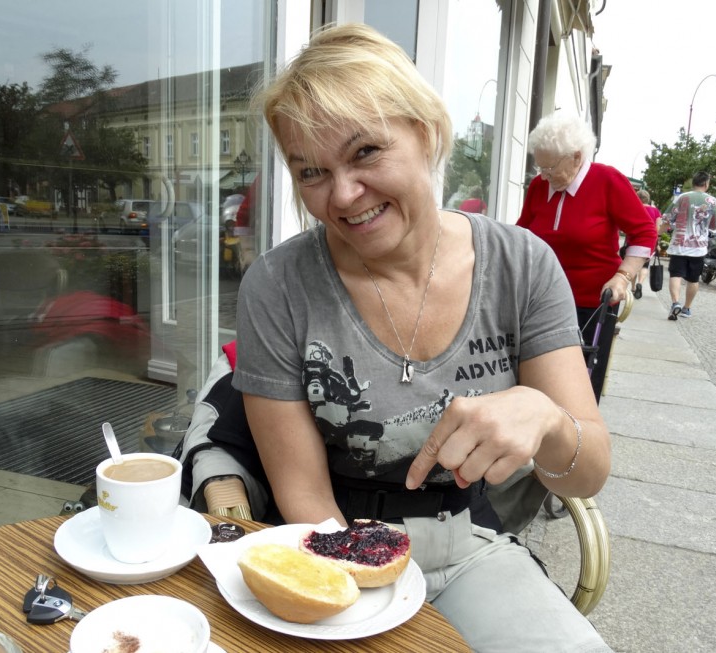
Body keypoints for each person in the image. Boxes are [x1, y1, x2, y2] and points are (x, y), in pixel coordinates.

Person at [234, 23, 612, 653]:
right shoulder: (278, 286)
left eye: (364, 153)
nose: (344, 195)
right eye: (311, 172)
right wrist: (364, 599)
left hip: (469, 548)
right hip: (328, 546)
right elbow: (303, 494)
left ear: (427, 133)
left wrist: (546, 419)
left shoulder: (521, 265)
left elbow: (587, 473)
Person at [517, 112, 656, 402]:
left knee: (580, 387)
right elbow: (522, 234)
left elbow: (644, 233)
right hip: (539, 300)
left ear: (576, 157)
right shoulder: (540, 187)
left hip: (591, 304)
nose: (543, 175)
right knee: (536, 380)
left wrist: (623, 276)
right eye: (539, 167)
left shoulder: (607, 181)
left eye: (550, 167)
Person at [664, 171, 716, 320]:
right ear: (706, 184)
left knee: (676, 274)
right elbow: (714, 226)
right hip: (698, 248)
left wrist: (659, 233)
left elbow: (668, 218)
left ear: (693, 183)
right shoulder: (713, 201)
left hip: (679, 245)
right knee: (693, 279)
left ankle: (675, 302)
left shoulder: (682, 197)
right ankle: (686, 308)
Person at [635, 188, 663, 291]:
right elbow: (658, 228)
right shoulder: (655, 211)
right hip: (649, 241)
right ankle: (640, 283)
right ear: (648, 199)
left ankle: (633, 287)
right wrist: (657, 242)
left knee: (632, 264)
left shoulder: (635, 208)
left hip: (634, 239)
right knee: (645, 265)